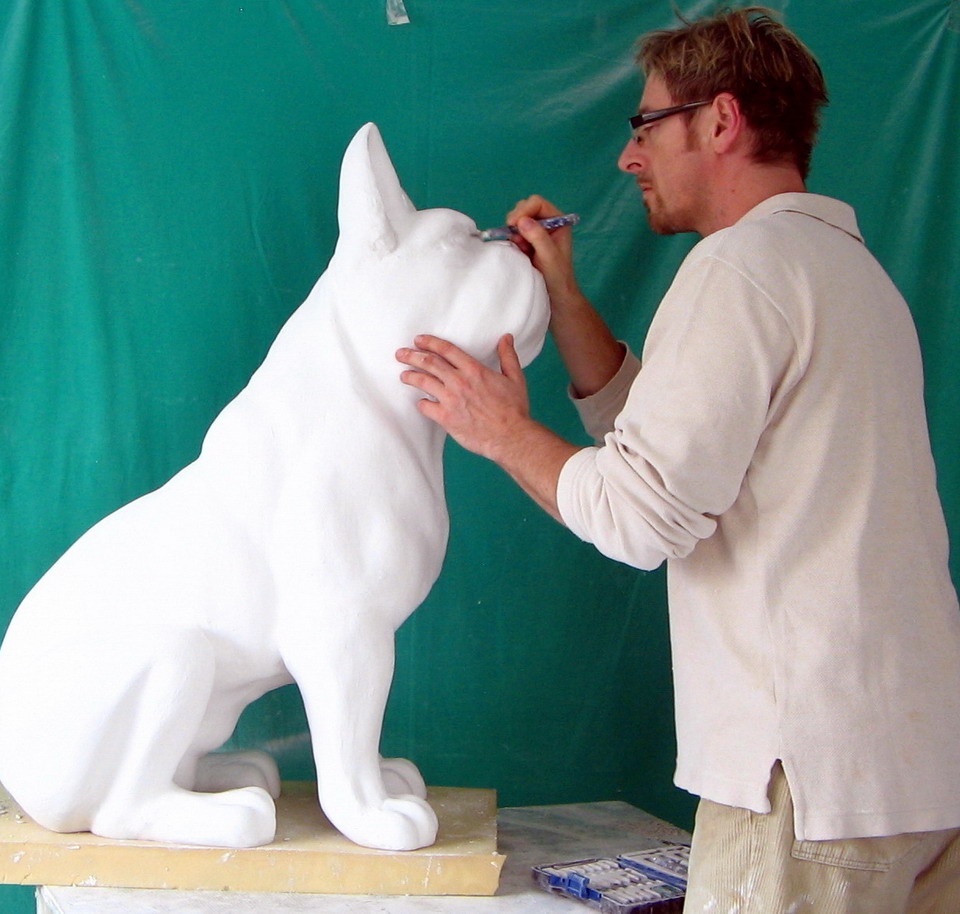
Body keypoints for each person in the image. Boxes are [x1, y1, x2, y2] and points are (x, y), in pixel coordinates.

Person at [396, 7, 960, 913]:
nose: (630, 157)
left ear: (721, 120)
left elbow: (640, 512)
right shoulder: (846, 271)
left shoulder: (740, 268)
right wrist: (564, 294)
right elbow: (680, 444)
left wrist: (497, 429)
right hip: (914, 780)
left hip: (802, 792)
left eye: (647, 125)